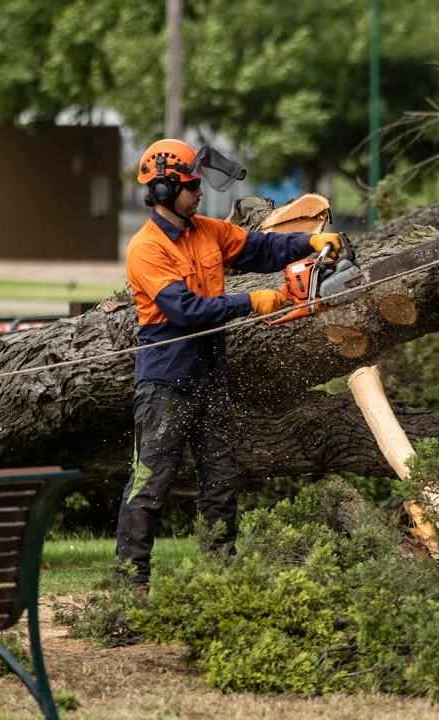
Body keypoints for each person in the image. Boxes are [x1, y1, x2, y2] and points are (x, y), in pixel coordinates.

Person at [116, 138, 341, 591]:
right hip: (164, 379)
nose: (200, 191)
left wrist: (309, 241)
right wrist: (251, 301)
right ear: (163, 190)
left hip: (209, 376)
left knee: (220, 479)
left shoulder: (208, 231)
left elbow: (260, 248)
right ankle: (130, 583)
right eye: (191, 184)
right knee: (150, 483)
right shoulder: (146, 248)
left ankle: (220, 578)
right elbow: (185, 310)